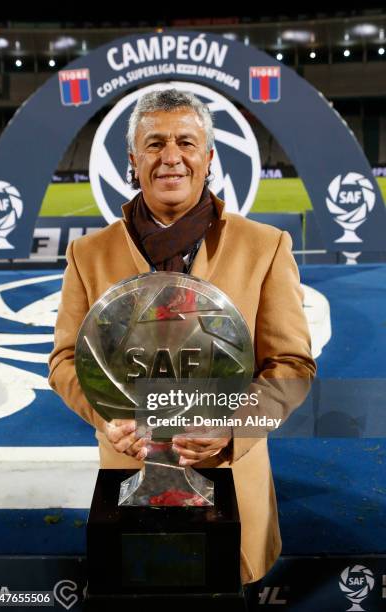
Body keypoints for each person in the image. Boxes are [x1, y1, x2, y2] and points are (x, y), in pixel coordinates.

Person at [48, 89, 316, 601]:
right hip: (128, 481)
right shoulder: (88, 253)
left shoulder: (264, 246)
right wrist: (105, 418)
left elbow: (293, 366)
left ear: (208, 157)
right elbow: (64, 360)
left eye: (186, 142)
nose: (171, 156)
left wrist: (231, 428)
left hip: (230, 484)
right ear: (133, 160)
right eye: (155, 143)